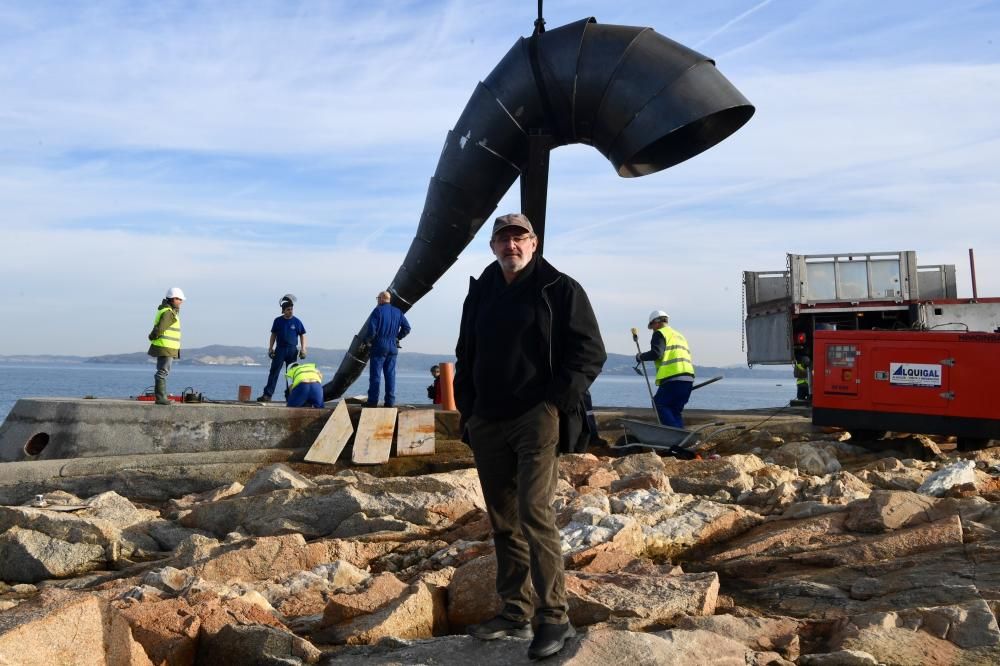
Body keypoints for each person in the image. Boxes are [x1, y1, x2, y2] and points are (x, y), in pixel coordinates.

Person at [455, 213, 606, 660]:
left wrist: (555, 403)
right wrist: (469, 409)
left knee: (534, 512)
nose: (511, 246)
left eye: (519, 238)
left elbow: (589, 352)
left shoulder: (559, 288)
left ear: (534, 243)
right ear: (493, 246)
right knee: (502, 519)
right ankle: (514, 610)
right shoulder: (481, 290)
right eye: (503, 239)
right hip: (487, 419)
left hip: (535, 417)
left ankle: (554, 616)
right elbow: (466, 352)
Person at [636, 310, 694, 428]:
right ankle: (681, 440)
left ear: (656, 322)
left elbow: (657, 353)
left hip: (673, 377)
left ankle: (675, 439)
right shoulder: (679, 335)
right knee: (675, 410)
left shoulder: (660, 333)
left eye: (652, 326)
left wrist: (640, 356)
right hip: (687, 378)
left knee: (659, 404)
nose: (652, 329)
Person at [363, 291, 411, 407]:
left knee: (376, 375)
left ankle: (372, 402)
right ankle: (390, 402)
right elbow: (407, 328)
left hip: (379, 346)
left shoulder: (377, 311)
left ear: (382, 298)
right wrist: (397, 337)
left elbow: (371, 330)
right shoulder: (398, 312)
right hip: (393, 347)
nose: (377, 300)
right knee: (390, 375)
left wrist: (367, 341)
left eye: (377, 298)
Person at [257, 296, 307, 403]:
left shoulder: (297, 322)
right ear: (283, 310)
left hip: (292, 351)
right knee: (274, 371)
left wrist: (303, 349)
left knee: (291, 374)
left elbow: (302, 335)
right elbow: (273, 335)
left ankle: (291, 396)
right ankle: (267, 395)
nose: (290, 311)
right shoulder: (278, 321)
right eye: (288, 309)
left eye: (291, 309)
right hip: (280, 350)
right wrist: (270, 348)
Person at [147, 287, 185, 406]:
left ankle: (161, 397)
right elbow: (160, 328)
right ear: (173, 299)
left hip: (165, 347)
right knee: (163, 371)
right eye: (179, 299)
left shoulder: (167, 310)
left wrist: (153, 336)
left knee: (162, 371)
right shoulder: (169, 312)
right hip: (166, 347)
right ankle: (161, 398)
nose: (181, 302)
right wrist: (152, 336)